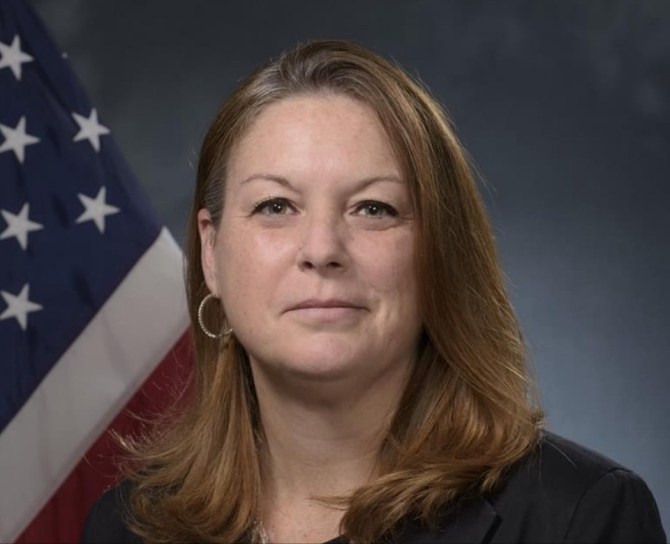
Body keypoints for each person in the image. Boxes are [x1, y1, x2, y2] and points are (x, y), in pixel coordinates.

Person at [82, 40, 666, 544]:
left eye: (373, 208)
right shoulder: (127, 527)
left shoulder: (579, 517)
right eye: (275, 206)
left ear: (439, 251)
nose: (321, 249)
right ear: (211, 253)